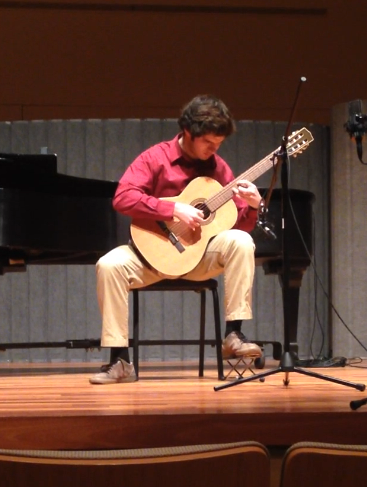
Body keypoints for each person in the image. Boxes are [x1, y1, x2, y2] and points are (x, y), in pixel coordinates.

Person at [90, 95, 264, 384]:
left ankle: (233, 334)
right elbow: (123, 198)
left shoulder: (219, 168)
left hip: (199, 259)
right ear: (188, 132)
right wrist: (172, 209)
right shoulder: (155, 158)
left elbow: (239, 224)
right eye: (208, 142)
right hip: (150, 256)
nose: (214, 149)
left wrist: (254, 205)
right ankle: (120, 361)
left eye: (219, 143)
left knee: (241, 242)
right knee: (109, 266)